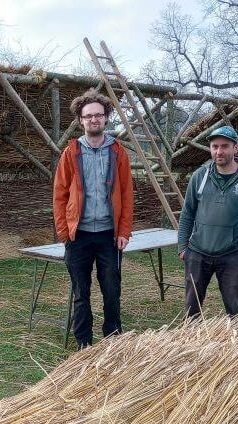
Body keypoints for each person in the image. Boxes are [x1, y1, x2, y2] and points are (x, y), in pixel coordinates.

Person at [53, 90, 134, 349]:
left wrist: (124, 231)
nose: (94, 120)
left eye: (98, 115)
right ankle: (84, 344)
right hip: (80, 236)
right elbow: (59, 194)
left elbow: (126, 193)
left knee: (112, 291)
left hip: (109, 235)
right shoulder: (71, 153)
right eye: (88, 116)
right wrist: (65, 233)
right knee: (81, 292)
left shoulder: (118, 152)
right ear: (81, 120)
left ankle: (112, 340)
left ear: (106, 118)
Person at [177, 125, 238, 318]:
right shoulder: (200, 176)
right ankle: (191, 344)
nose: (219, 151)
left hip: (233, 255)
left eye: (224, 146)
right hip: (198, 253)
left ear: (236, 148)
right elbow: (187, 213)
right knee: (191, 309)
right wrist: (183, 247)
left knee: (235, 310)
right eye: (214, 146)